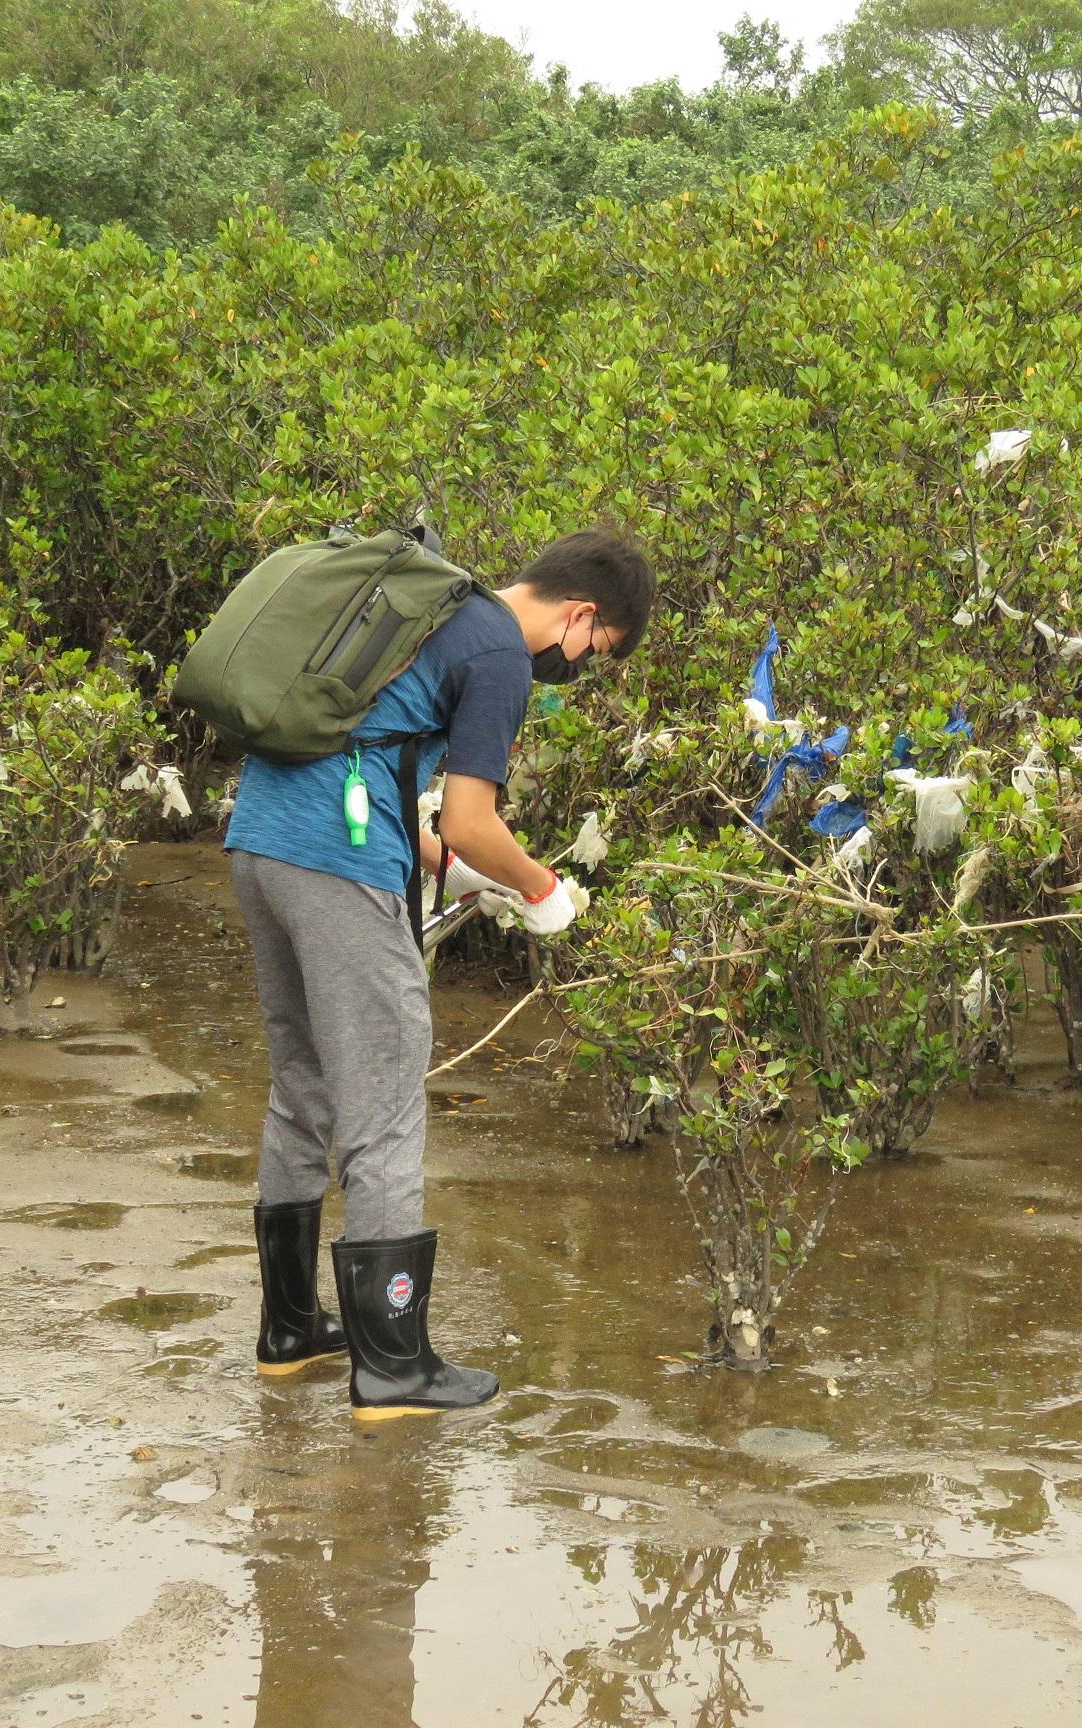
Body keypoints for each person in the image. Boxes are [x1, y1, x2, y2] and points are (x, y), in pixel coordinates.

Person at [224, 528, 655, 1424]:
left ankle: (291, 1331)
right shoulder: (499, 650)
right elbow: (471, 816)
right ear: (582, 615)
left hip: (261, 840)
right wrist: (542, 889)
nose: (580, 665)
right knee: (383, 1097)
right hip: (333, 862)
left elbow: (378, 769)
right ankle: (392, 1367)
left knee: (302, 1085)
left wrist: (452, 871)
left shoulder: (438, 614)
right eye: (597, 651)